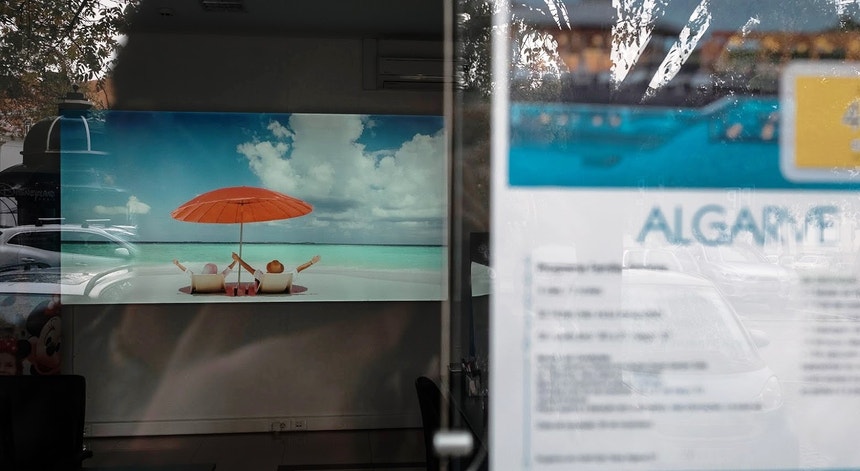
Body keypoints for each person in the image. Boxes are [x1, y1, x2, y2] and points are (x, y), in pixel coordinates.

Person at [230, 252, 320, 290]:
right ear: (281, 270)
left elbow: (248, 268)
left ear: (268, 269)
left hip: (265, 290)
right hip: (282, 290)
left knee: (256, 277)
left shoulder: (262, 276)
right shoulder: (288, 276)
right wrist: (311, 262)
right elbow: (299, 268)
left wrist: (238, 259)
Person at [173, 259, 237, 277]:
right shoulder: (219, 277)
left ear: (204, 271)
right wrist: (235, 261)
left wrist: (178, 264)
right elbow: (228, 269)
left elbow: (186, 270)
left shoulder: (197, 278)